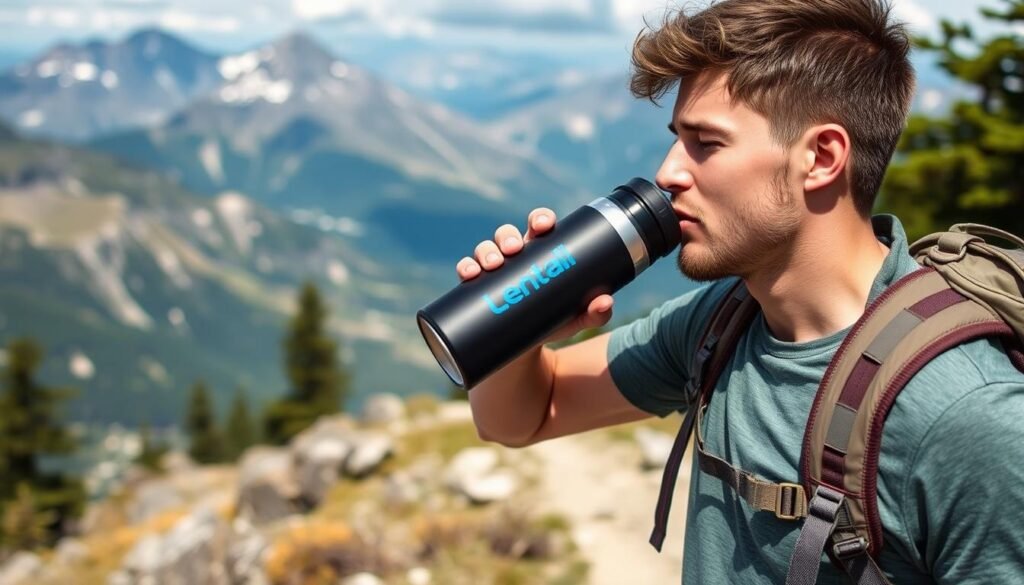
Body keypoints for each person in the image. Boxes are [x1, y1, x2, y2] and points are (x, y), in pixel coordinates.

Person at [454, 0, 1024, 583]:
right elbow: (525, 417)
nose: (670, 171)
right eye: (678, 138)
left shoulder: (966, 417)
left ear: (822, 158)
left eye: (707, 142)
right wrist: (520, 317)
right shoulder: (723, 324)